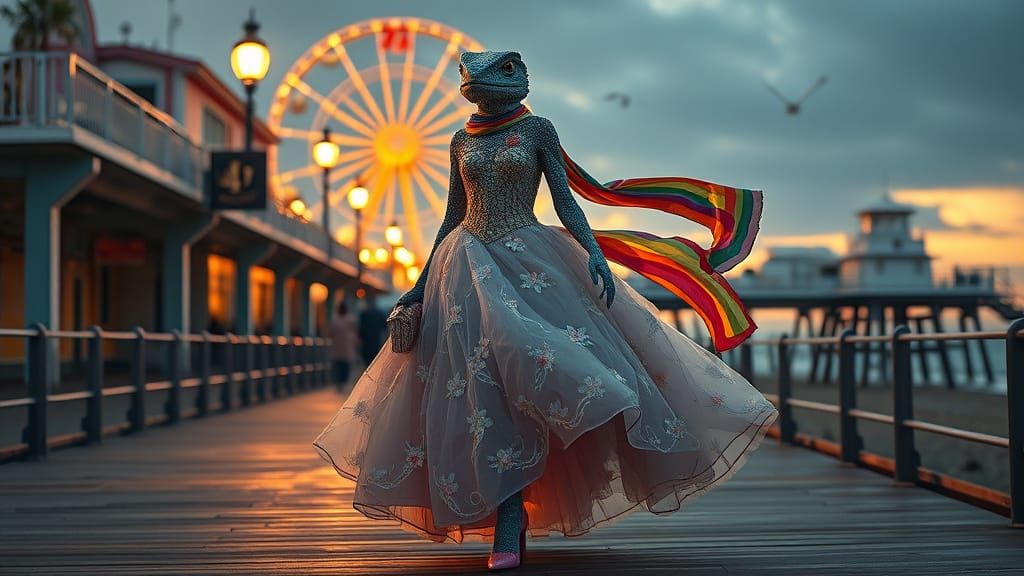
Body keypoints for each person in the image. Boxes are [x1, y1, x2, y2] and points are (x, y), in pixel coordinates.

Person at [315, 51, 777, 571]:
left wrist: (593, 251)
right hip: (465, 268)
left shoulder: (537, 129)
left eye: (503, 70)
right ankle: (507, 520)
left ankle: (518, 512)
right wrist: (418, 288)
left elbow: (564, 199)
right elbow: (451, 216)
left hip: (532, 264)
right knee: (483, 392)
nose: (479, 80)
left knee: (538, 369)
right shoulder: (460, 140)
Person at [328, 299, 358, 388]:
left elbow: (330, 333)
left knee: (338, 365)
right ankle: (343, 382)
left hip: (337, 346)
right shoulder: (351, 319)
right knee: (345, 365)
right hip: (347, 346)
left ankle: (339, 382)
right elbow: (355, 331)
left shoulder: (334, 319)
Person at [356, 294, 387, 368]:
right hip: (376, 341)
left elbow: (361, 329)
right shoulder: (379, 314)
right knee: (375, 362)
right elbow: (385, 327)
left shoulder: (364, 314)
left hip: (366, 342)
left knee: (367, 362)